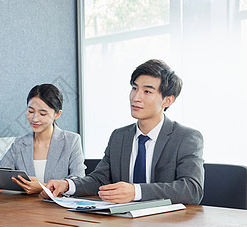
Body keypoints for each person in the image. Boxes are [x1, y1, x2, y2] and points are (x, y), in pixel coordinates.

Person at [43, 59, 204, 205]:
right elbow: (99, 179)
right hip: (123, 225)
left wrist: (135, 192)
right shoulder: (119, 136)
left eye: (147, 91)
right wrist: (67, 185)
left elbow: (192, 189)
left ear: (167, 100)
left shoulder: (186, 138)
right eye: (134, 88)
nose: (136, 97)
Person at [0, 84, 85, 194]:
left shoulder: (71, 141)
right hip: (25, 209)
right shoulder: (20, 144)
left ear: (57, 114)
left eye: (42, 113)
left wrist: (43, 187)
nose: (34, 119)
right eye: (31, 111)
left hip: (59, 209)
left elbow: (79, 182)